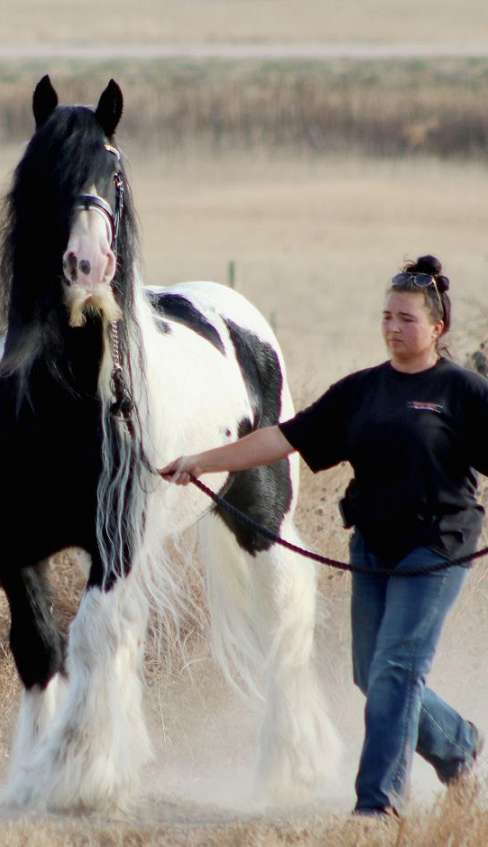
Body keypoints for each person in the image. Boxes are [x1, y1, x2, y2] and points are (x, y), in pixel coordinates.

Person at [159, 254, 485, 817]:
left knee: (396, 668)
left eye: (406, 319)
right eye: (387, 316)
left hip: (436, 550)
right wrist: (201, 460)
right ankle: (458, 745)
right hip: (372, 550)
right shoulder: (361, 391)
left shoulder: (462, 392)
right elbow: (279, 440)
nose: (392, 327)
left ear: (437, 328)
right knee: (371, 672)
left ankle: (377, 807)